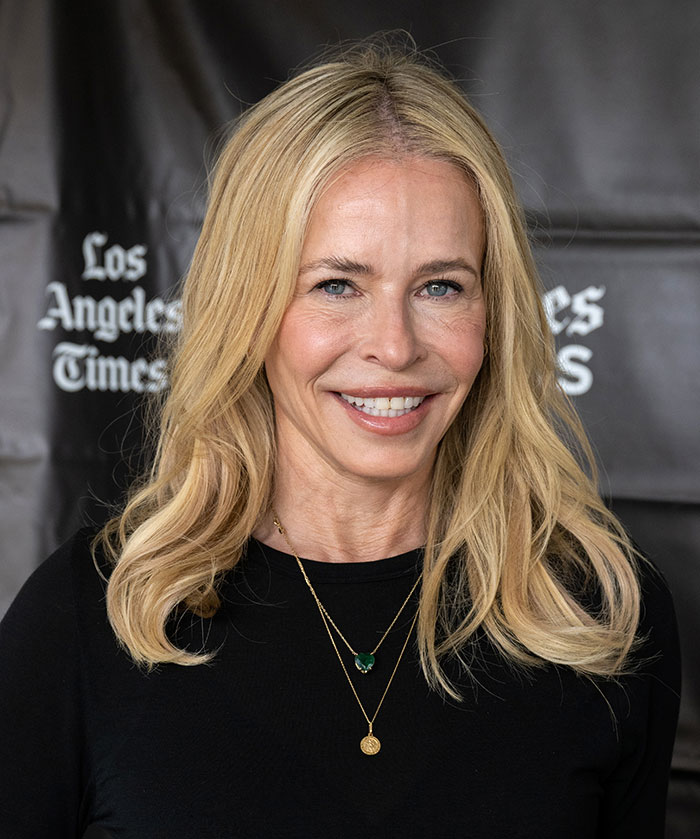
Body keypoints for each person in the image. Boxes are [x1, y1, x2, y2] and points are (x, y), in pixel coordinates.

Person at [0, 37, 680, 838]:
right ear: (248, 310)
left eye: (439, 285)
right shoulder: (91, 620)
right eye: (336, 285)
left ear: (495, 315)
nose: (394, 346)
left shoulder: (600, 617)